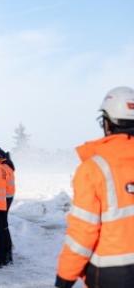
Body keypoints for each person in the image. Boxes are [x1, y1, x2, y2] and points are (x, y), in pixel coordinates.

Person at [55, 86, 134, 288]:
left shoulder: (94, 168)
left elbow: (83, 232)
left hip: (113, 274)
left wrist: (65, 277)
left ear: (107, 123)